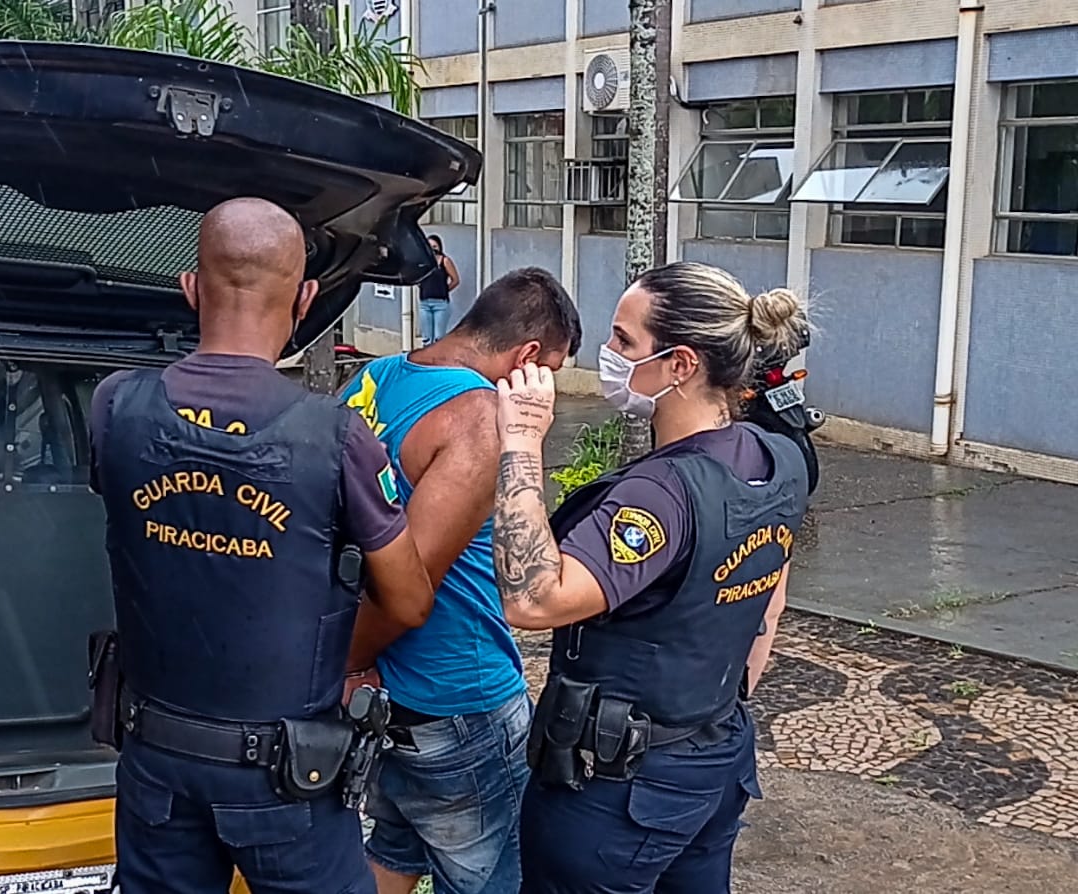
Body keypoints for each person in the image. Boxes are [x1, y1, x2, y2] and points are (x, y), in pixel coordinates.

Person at [89, 197, 435, 894]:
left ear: (192, 287)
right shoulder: (335, 438)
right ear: (305, 299)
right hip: (284, 780)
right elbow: (408, 600)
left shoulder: (115, 405)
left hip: (156, 761)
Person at [488, 261, 812, 893]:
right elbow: (770, 591)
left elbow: (533, 600)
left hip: (619, 792)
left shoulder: (661, 494)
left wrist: (521, 441)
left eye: (624, 340)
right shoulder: (779, 456)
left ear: (679, 365)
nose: (608, 354)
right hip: (715, 755)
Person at [339, 267, 582, 894]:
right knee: (499, 877)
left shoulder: (376, 377)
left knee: (394, 848)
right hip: (457, 697)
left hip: (383, 696)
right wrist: (350, 662)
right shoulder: (477, 416)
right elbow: (408, 587)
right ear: (527, 357)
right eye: (550, 370)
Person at [418, 234, 460, 347]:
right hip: (424, 303)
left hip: (440, 304)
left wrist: (444, 290)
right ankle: (427, 356)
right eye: (429, 246)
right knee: (427, 338)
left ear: (440, 247)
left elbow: (455, 280)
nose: (433, 249)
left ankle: (438, 357)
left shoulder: (445, 261)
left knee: (438, 337)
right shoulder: (422, 262)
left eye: (435, 246)